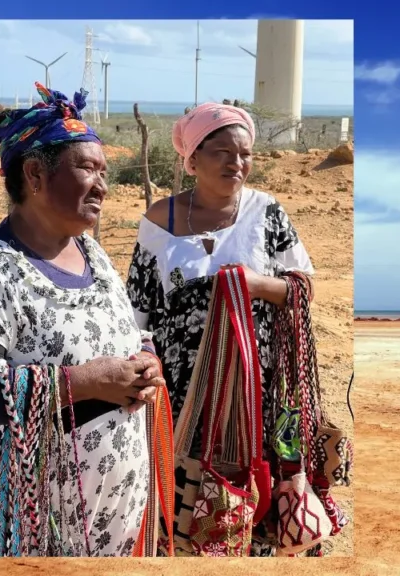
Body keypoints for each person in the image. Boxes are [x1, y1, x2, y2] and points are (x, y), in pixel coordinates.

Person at [0, 83, 166, 557]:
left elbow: (127, 330)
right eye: (88, 168)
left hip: (111, 516)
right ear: (34, 174)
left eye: (105, 171)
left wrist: (146, 361)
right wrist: (85, 381)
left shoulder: (93, 253)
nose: (103, 185)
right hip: (28, 524)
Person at [125, 102, 320, 556]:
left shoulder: (267, 213)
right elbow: (139, 311)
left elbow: (305, 288)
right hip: (182, 388)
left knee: (254, 483)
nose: (237, 162)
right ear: (192, 160)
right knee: (184, 490)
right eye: (222, 152)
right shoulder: (160, 221)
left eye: (245, 154)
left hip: (257, 383)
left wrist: (253, 285)